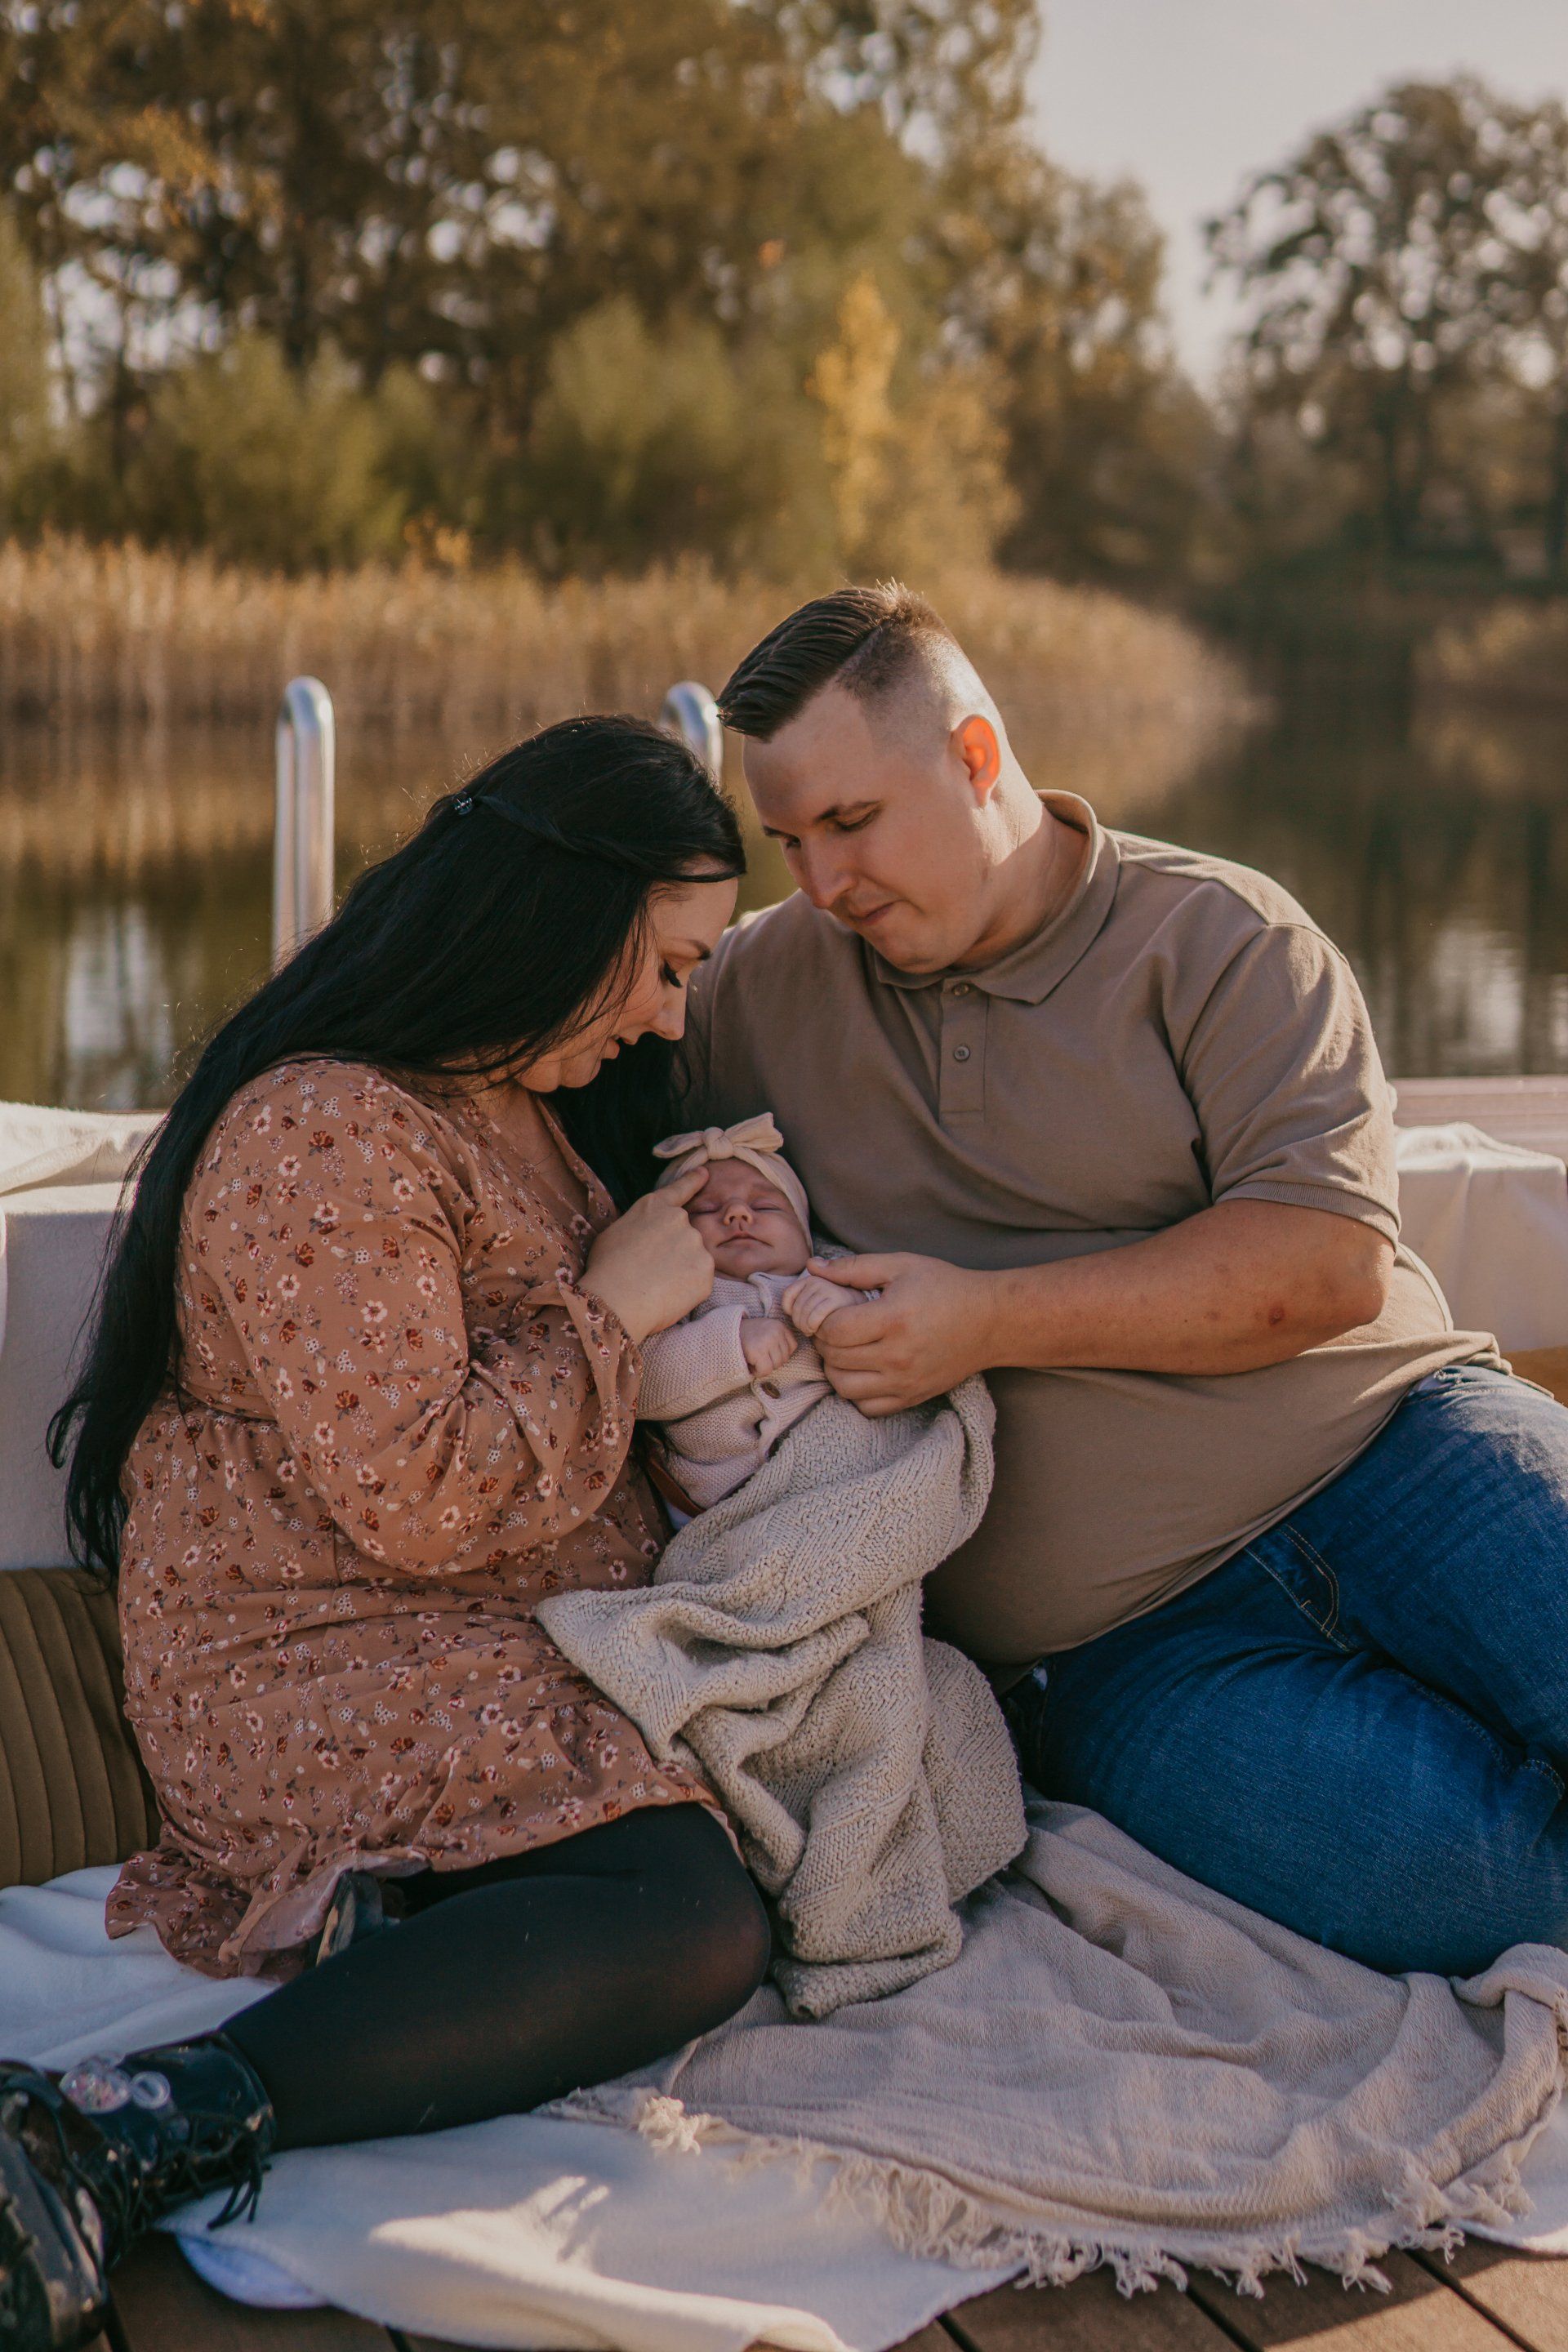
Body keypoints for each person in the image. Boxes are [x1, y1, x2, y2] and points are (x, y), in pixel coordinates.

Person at [0, 717, 769, 2352]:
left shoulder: (528, 1103)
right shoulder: (328, 1130)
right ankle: (117, 2131)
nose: (667, 1016)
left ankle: (400, 1933)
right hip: (315, 1651)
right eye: (662, 968)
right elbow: (416, 1493)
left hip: (491, 1643)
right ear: (558, 914)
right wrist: (616, 1311)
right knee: (691, 1913)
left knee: (761, 1861)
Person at [683, 581, 1568, 1982]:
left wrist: (984, 1322)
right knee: (1501, 1884)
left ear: (977, 756)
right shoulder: (751, 996)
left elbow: (1329, 1263)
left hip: (1406, 1455)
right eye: (788, 840)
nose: (826, 883)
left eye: (852, 822)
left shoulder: (1222, 938)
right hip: (1127, 1652)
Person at [637, 1113, 872, 1508]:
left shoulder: (832, 1275)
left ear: (806, 1236)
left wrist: (852, 1305)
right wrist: (730, 1343)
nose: (737, 1214)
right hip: (721, 1500)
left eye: (765, 1205)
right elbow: (637, 1385)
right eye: (706, 1209)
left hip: (839, 1475)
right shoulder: (671, 1300)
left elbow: (897, 1332)